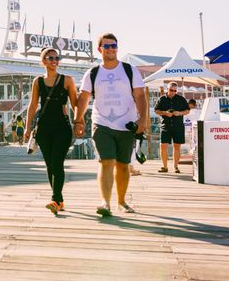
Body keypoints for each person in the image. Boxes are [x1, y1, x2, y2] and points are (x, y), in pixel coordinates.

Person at [75, 33, 148, 217]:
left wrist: (143, 119)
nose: (111, 49)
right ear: (100, 50)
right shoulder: (92, 73)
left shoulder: (129, 70)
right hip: (102, 123)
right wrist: (78, 119)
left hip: (126, 123)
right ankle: (105, 203)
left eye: (113, 46)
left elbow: (140, 95)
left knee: (123, 165)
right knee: (106, 161)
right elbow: (83, 97)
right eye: (106, 46)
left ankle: (121, 202)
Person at [24, 48, 78, 214]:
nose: (55, 60)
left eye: (57, 58)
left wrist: (79, 122)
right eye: (51, 58)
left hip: (62, 127)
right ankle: (59, 200)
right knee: (49, 165)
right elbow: (33, 105)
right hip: (44, 128)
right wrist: (27, 127)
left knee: (57, 163)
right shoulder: (37, 82)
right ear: (44, 61)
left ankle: (54, 199)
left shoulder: (67, 80)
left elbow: (75, 104)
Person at [155, 82, 190, 174]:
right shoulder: (162, 99)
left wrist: (179, 113)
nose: (173, 92)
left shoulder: (181, 99)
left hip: (178, 126)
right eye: (171, 90)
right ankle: (164, 166)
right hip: (165, 125)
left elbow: (187, 110)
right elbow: (156, 110)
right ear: (167, 89)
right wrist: (165, 113)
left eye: (175, 90)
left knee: (177, 146)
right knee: (163, 146)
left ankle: (176, 167)